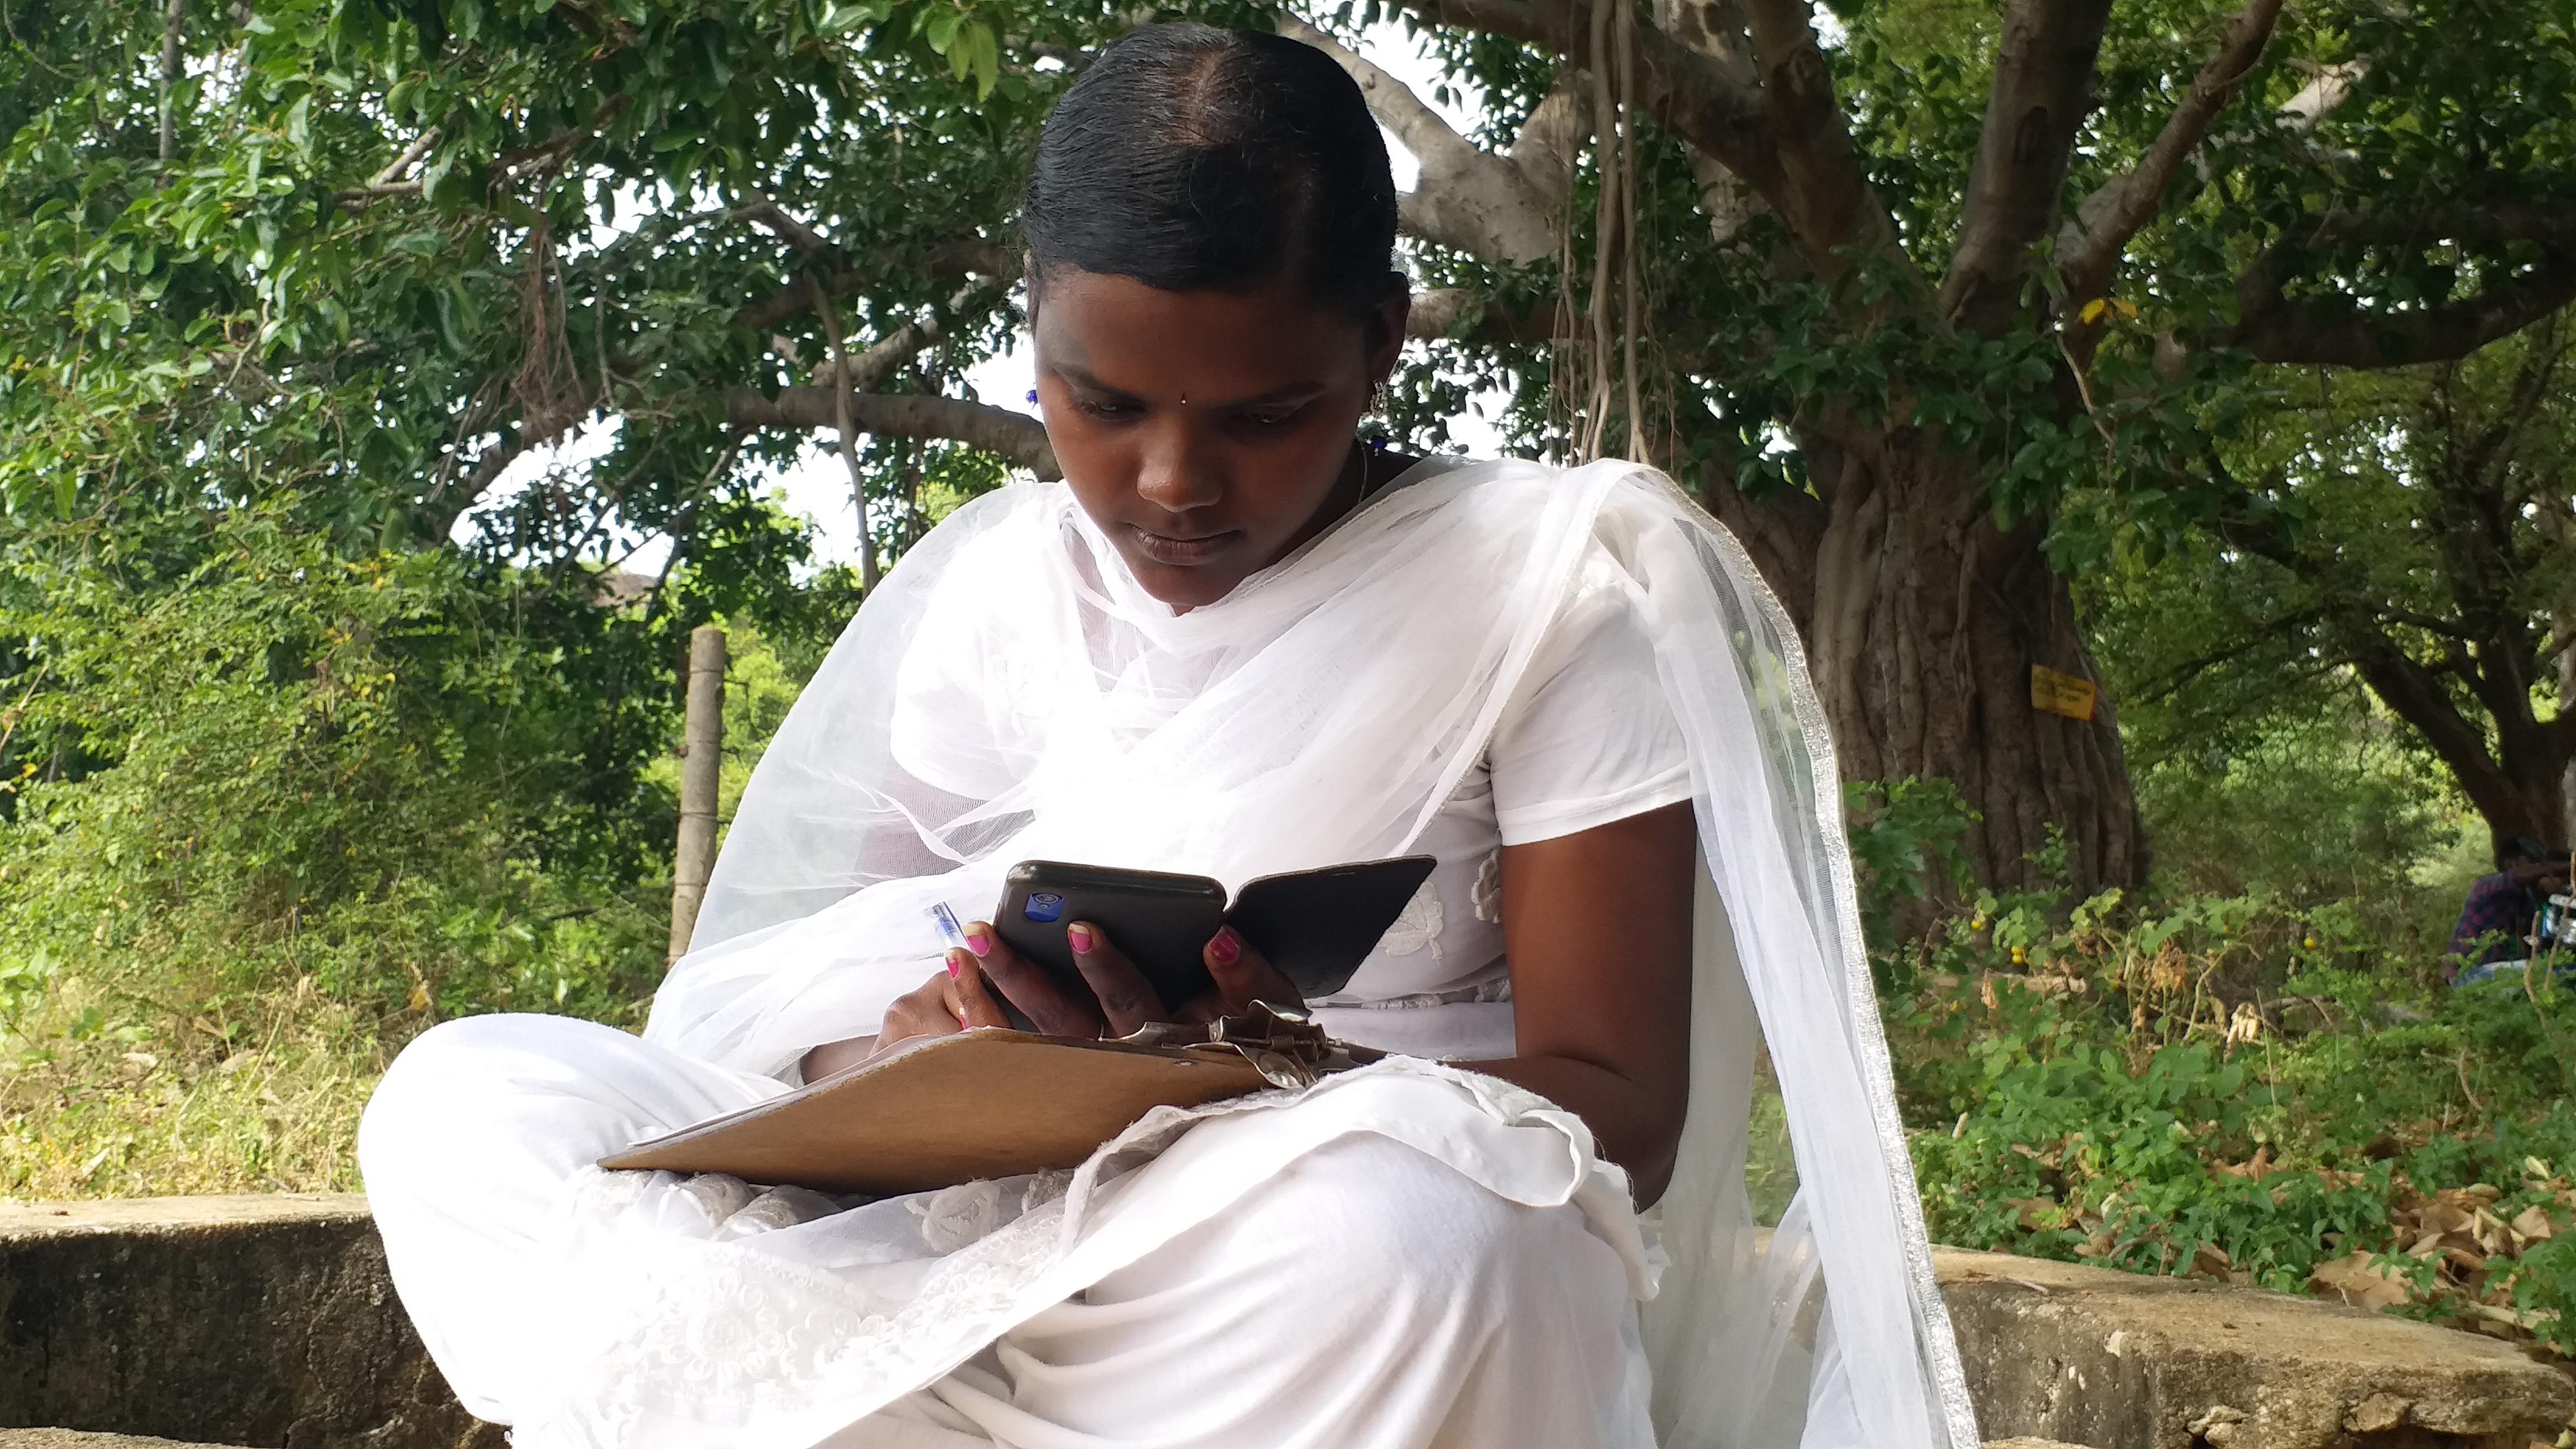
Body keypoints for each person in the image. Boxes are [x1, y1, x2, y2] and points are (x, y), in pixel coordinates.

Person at [358, 23, 1977, 1449]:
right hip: (971, 1217)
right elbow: (826, 991)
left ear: (1385, 345)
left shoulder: (1543, 596)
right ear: (1036, 335)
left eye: (1266, 415)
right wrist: (912, 1053)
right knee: (473, 1099)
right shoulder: (994, 584)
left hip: (1289, 1262)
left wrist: (1254, 1073)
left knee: (1456, 1240)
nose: (1174, 484)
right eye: (1105, 405)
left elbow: (1620, 1105)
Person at [2449, 834, 2572, 985]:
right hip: (2469, 974)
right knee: (2564, 972)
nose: (2540, 870)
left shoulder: (2526, 901)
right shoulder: (2486, 886)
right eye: (2534, 864)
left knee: (2556, 971)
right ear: (2511, 865)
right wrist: (2569, 865)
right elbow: (2520, 877)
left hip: (2489, 973)